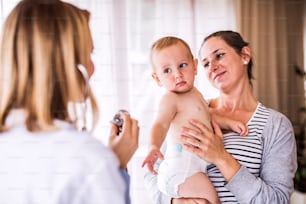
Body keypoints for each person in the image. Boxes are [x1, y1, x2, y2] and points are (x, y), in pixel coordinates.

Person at [0, 0, 139, 204]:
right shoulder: (87, 160)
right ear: (65, 62)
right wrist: (114, 167)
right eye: (88, 54)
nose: (93, 68)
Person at [144, 31, 297, 204]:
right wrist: (174, 201)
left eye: (219, 55)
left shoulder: (275, 125)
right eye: (206, 63)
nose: (213, 66)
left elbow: (277, 200)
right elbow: (155, 173)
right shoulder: (186, 111)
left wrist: (221, 157)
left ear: (245, 55)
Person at [142, 36, 247, 203]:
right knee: (213, 200)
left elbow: (209, 115)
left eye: (182, 65)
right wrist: (153, 145)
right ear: (157, 78)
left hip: (191, 169)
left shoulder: (195, 95)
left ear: (195, 66)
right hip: (181, 171)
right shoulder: (171, 99)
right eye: (167, 70)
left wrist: (230, 123)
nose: (177, 74)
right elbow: (160, 123)